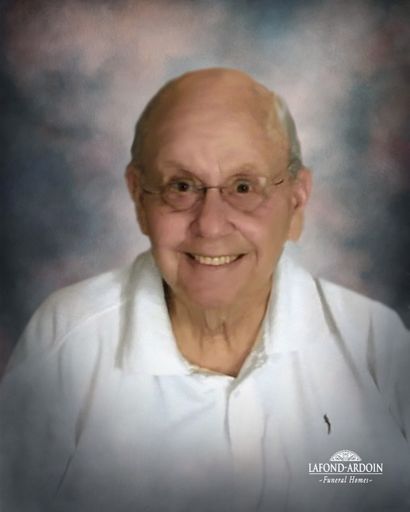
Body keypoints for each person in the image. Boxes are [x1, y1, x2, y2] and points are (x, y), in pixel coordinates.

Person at [1, 68, 409, 512]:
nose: (211, 225)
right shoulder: (68, 340)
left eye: (243, 187)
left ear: (296, 201)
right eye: (181, 186)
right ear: (139, 198)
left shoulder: (375, 344)